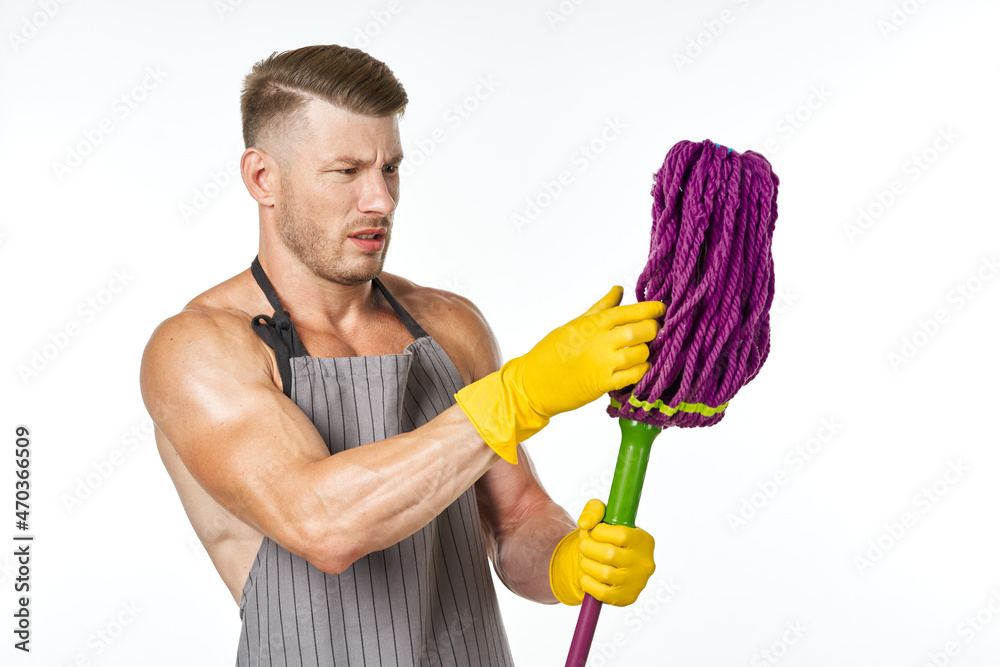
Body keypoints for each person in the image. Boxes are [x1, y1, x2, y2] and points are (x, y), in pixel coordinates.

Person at [140, 44, 665, 666]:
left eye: (389, 168)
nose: (381, 201)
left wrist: (567, 561)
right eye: (347, 172)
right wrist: (517, 397)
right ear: (263, 178)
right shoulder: (200, 348)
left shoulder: (450, 325)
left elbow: (516, 519)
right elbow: (321, 524)